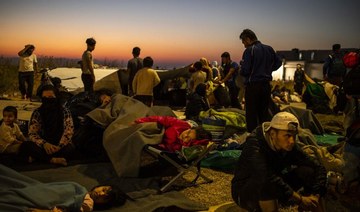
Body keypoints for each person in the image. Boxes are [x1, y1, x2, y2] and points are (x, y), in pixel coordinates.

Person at [231, 112, 327, 212]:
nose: (292, 141)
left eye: (294, 136)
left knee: (309, 171)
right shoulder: (255, 146)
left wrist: (316, 194)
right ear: (272, 134)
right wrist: (301, 199)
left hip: (275, 186)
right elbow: (266, 177)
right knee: (267, 183)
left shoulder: (289, 145)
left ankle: (312, 206)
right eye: (287, 135)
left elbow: (318, 166)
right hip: (246, 191)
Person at [0, 164, 128, 211]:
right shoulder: (80, 188)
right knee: (18, 181)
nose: (100, 194)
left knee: (13, 196)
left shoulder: (88, 204)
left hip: (44, 201)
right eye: (104, 190)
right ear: (100, 186)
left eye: (105, 198)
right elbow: (55, 189)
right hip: (41, 190)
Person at [239, 29, 282, 132]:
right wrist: (268, 70)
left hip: (253, 86)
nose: (244, 45)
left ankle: (253, 137)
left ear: (248, 39)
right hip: (266, 85)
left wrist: (242, 67)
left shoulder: (250, 50)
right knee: (264, 113)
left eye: (244, 42)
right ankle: (264, 134)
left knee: (251, 113)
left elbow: (245, 71)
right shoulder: (269, 49)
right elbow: (279, 63)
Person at [23, 85, 75, 166]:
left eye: (50, 97)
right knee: (26, 146)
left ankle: (41, 158)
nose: (48, 100)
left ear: (56, 97)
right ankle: (52, 160)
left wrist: (59, 146)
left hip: (60, 144)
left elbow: (68, 131)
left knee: (71, 148)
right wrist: (44, 144)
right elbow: (32, 133)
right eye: (45, 98)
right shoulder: (38, 112)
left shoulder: (64, 111)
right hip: (44, 145)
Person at [134, 116, 212, 152]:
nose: (185, 135)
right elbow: (161, 119)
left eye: (188, 138)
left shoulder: (181, 147)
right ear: (190, 128)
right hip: (155, 132)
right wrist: (139, 121)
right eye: (188, 132)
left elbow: (202, 144)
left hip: (154, 142)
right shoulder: (182, 125)